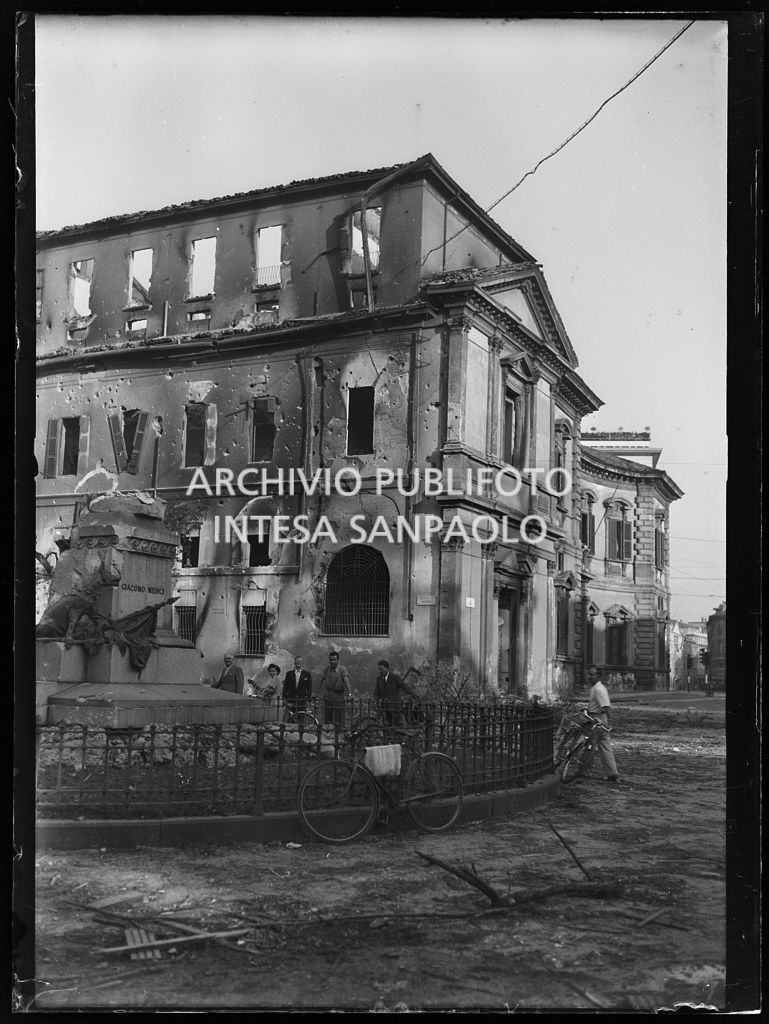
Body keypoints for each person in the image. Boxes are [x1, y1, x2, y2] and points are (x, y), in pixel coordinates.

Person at [587, 667, 620, 783]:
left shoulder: (598, 689)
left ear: (598, 676)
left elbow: (606, 707)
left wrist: (609, 722)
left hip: (598, 718)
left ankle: (585, 769)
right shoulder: (596, 688)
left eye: (592, 675)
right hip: (599, 717)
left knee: (589, 745)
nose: (589, 677)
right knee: (605, 747)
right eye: (589, 674)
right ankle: (612, 773)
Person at [374, 660, 419, 727]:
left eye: (381, 669)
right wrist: (376, 701)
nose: (380, 671)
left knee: (398, 726)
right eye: (379, 669)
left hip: (395, 707)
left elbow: (404, 686)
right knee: (386, 727)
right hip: (385, 708)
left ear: (387, 669)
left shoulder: (394, 677)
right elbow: (376, 692)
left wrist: (414, 694)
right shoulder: (379, 679)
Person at [319, 651, 350, 728]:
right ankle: (328, 733)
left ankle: (339, 734)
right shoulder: (327, 669)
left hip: (339, 695)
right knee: (328, 715)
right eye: (331, 660)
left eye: (334, 660)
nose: (332, 662)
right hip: (329, 695)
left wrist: (349, 694)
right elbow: (322, 680)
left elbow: (347, 682)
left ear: (337, 660)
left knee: (339, 715)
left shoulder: (342, 669)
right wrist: (319, 693)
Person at [282, 656, 313, 721]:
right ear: (294, 662)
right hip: (291, 699)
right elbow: (285, 687)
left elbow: (309, 688)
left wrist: (308, 700)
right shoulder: (289, 674)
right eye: (297, 661)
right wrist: (284, 698)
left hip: (302, 700)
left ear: (302, 663)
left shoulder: (307, 674)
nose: (298, 662)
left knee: (301, 717)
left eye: (300, 661)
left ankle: (300, 730)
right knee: (291, 718)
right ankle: (291, 730)